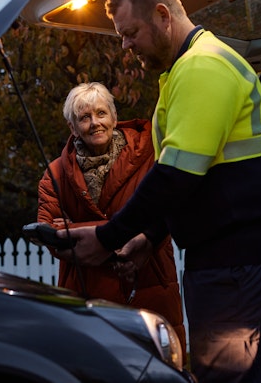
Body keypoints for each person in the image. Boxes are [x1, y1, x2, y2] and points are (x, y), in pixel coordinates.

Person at [55, 0, 261, 383]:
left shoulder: (203, 68)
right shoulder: (183, 72)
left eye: (131, 32)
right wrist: (149, 239)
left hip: (242, 262)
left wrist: (108, 237)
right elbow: (194, 179)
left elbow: (176, 176)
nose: (126, 45)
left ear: (163, 15)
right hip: (231, 260)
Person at [36, 81, 186, 361]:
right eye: (84, 117)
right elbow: (51, 230)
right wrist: (118, 238)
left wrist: (96, 235)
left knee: (156, 369)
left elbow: (172, 206)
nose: (95, 123)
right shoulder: (55, 174)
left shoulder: (152, 154)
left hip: (149, 288)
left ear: (114, 118)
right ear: (72, 127)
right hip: (85, 297)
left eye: (101, 114)